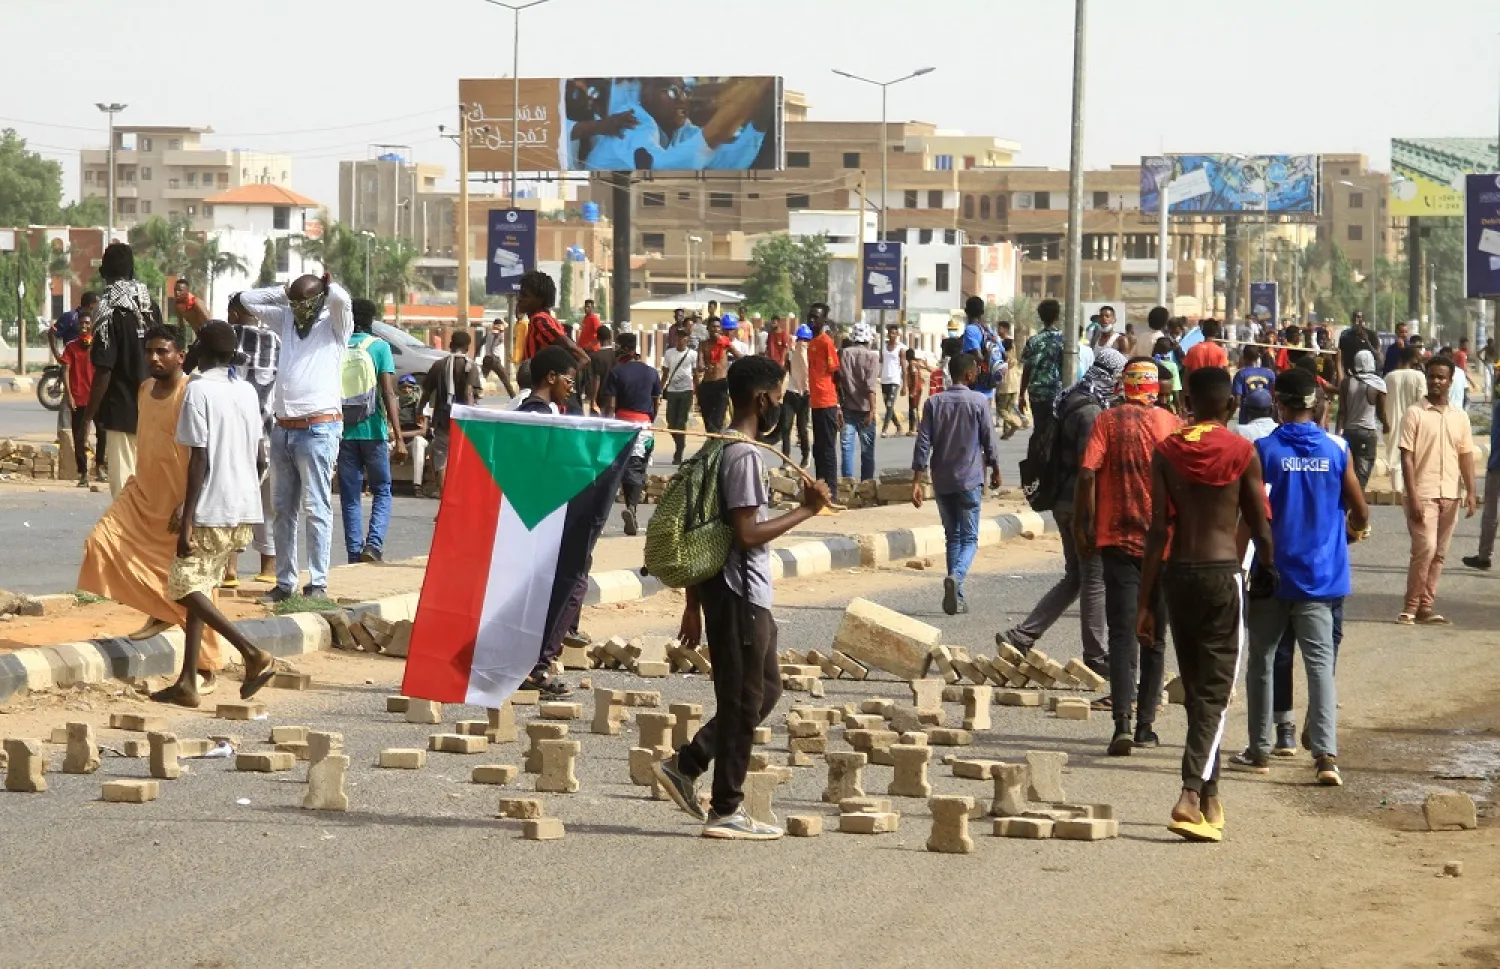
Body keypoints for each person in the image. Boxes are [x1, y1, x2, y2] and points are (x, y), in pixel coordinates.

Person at [653, 355, 832, 839]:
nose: (782, 406)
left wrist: (692, 604)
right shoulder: (743, 456)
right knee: (741, 701)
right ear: (762, 398)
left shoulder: (724, 448)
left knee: (765, 689)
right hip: (738, 596)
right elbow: (747, 534)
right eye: (779, 397)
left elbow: (704, 527)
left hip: (738, 593)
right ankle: (726, 808)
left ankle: (687, 765)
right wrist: (807, 510)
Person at [1139, 365, 1274, 842]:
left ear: (1188, 402)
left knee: (1200, 692)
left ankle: (1212, 797)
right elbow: (1258, 525)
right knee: (1215, 695)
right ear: (1230, 406)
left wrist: (1145, 602)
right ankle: (1189, 794)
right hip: (1222, 575)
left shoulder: (1167, 451)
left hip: (1177, 576)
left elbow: (1156, 532)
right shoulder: (1242, 451)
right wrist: (1269, 570)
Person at [1235, 366, 1367, 786]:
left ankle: (1259, 749)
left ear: (1279, 402)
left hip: (1271, 575)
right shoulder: (1336, 449)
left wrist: (1238, 569)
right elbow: (1360, 510)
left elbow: (1250, 517)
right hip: (1321, 577)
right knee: (1320, 664)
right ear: (1317, 404)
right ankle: (1326, 756)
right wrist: (1346, 534)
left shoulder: (1264, 450)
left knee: (1263, 659)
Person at [148, 321, 279, 708]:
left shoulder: (199, 391)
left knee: (182, 587)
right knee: (201, 588)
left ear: (200, 352)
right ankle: (188, 681)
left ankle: (252, 652)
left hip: (211, 505)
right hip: (243, 506)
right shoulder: (247, 390)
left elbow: (198, 460)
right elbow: (259, 455)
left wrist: (187, 517)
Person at [79, 325, 224, 662]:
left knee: (194, 582)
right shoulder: (144, 389)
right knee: (100, 543)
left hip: (179, 501)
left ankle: (205, 665)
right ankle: (161, 608)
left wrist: (190, 502)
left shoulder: (192, 393)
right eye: (149, 351)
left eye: (162, 351)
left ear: (181, 356)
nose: (154, 358)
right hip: (143, 494)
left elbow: (208, 454)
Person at [998, 349, 1125, 676]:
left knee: (1075, 577)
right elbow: (1090, 469)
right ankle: (1097, 658)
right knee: (1094, 579)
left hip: (1061, 501)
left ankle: (1022, 635)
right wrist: (1094, 518)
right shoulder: (1092, 412)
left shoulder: (1070, 397)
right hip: (1081, 503)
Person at [1075, 358, 1179, 754]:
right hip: (1162, 544)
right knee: (1154, 635)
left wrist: (1081, 524)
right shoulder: (1171, 425)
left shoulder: (1107, 421)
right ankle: (1146, 726)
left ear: (1124, 385)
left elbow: (1087, 473)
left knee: (1121, 634)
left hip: (1116, 540)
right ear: (1156, 388)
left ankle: (1120, 722)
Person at [237, 274, 351, 603]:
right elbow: (246, 301)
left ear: (319, 300)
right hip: (283, 427)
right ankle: (284, 583)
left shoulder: (335, 324)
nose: (300, 310)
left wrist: (330, 288)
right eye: (296, 303)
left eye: (306, 304)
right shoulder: (285, 317)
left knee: (316, 508)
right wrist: (283, 293)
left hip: (319, 428)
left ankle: (317, 583)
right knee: (282, 510)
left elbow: (342, 301)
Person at [913, 352, 1003, 616]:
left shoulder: (934, 403)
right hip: (970, 479)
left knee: (952, 537)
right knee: (970, 538)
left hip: (942, 479)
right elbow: (989, 440)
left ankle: (957, 596)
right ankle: (958, 577)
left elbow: (923, 442)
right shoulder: (978, 401)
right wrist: (996, 468)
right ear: (970, 375)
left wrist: (916, 480)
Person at [1397, 357, 1477, 625]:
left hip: (1451, 494)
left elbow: (1465, 456)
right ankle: (1410, 607)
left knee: (1439, 552)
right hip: (1422, 493)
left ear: (1450, 382)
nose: (1436, 382)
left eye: (1441, 377)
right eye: (1432, 376)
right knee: (1425, 548)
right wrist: (1413, 496)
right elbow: (1406, 458)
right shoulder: (1415, 413)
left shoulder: (1460, 417)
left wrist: (1471, 493)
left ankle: (1426, 606)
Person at [85, 243, 161, 498]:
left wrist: (87, 418)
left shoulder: (108, 311)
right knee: (150, 491)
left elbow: (104, 370)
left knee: (124, 494)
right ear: (131, 271)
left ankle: (128, 539)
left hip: (122, 412)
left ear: (103, 273)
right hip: (154, 412)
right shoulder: (150, 307)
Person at [217, 294, 283, 585]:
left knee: (232, 499)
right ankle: (268, 567)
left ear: (233, 313)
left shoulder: (226, 341)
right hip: (270, 431)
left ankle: (230, 568)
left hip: (234, 434)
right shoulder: (278, 343)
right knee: (268, 503)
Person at [337, 299, 407, 565]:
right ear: (371, 320)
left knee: (350, 494)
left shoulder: (337, 346)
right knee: (382, 489)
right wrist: (399, 437)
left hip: (343, 431)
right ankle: (374, 545)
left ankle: (355, 553)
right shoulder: (380, 347)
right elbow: (389, 392)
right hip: (374, 429)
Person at [602, 331, 661, 536]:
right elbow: (656, 402)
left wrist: (604, 424)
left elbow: (609, 406)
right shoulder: (652, 372)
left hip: (620, 425)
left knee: (620, 467)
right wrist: (649, 421)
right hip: (643, 425)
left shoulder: (616, 373)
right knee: (637, 467)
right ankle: (632, 508)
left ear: (625, 349)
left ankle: (626, 509)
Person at [417, 330, 481, 495]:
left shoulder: (439, 365)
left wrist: (419, 410)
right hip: (463, 420)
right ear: (467, 348)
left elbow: (426, 393)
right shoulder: (471, 366)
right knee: (462, 460)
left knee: (441, 459)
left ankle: (445, 501)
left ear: (450, 345)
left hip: (442, 420)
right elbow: (469, 393)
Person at [518, 270, 590, 402]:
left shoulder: (540, 320)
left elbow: (583, 357)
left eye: (525, 295)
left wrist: (562, 382)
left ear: (540, 299)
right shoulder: (545, 319)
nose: (519, 298)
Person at [60, 312, 106, 486]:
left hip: (96, 397)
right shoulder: (71, 346)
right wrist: (69, 395)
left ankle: (100, 466)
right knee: (79, 435)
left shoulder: (98, 345)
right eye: (82, 323)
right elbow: (65, 369)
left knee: (102, 432)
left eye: (87, 323)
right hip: (78, 398)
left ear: (92, 325)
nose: (84, 326)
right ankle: (83, 473)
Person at [1336, 349, 1387, 489]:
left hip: (1349, 432)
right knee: (1362, 475)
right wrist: (1387, 426)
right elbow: (1381, 413)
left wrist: (1337, 434)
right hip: (1367, 433)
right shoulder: (1378, 384)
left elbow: (1342, 411)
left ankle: (1348, 504)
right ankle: (1356, 505)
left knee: (1347, 472)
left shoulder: (1347, 383)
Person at [806, 304, 842, 494]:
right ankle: (820, 490)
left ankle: (832, 493)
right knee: (818, 448)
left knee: (827, 449)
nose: (812, 320)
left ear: (823, 321)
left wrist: (838, 405)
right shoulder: (811, 343)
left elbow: (837, 375)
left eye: (815, 317)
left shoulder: (826, 342)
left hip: (827, 402)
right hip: (815, 402)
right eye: (810, 317)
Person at [838, 322, 880, 482]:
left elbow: (838, 381)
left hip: (847, 407)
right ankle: (866, 486)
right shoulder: (872, 357)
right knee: (867, 451)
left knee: (847, 448)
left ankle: (847, 485)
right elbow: (871, 386)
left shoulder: (843, 354)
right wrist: (872, 410)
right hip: (865, 409)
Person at [1383, 346, 1428, 493]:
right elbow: (1423, 401)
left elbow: (1381, 402)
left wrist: (1384, 421)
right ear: (1414, 359)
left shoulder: (1389, 377)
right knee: (1413, 457)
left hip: (1392, 421)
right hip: (1414, 422)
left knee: (1395, 459)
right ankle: (1411, 491)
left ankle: (1397, 492)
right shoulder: (1419, 377)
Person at [1019, 298, 1064, 437]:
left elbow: (1026, 369)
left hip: (1036, 393)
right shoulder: (1064, 340)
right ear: (1057, 316)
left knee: (1039, 430)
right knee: (1056, 432)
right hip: (1057, 392)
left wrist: (1021, 394)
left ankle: (1037, 457)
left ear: (1040, 316)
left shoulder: (1033, 341)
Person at [697, 315, 741, 434]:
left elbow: (739, 356)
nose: (715, 329)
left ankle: (717, 447)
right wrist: (703, 366)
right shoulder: (703, 344)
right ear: (708, 328)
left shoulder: (725, 343)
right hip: (706, 385)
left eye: (717, 327)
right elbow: (699, 365)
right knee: (708, 421)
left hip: (721, 384)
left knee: (718, 419)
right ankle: (713, 443)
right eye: (712, 327)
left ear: (720, 329)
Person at [660, 325, 698, 464]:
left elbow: (695, 375)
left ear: (687, 338)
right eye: (679, 336)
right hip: (672, 392)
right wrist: (659, 390)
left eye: (684, 336)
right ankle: (680, 443)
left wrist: (697, 392)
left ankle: (679, 451)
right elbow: (665, 373)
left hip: (686, 391)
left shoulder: (692, 354)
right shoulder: (669, 353)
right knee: (671, 423)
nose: (681, 339)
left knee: (681, 422)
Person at [396, 374, 431, 494]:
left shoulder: (420, 405)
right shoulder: (395, 403)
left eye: (409, 387)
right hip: (397, 440)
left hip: (412, 441)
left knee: (418, 441)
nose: (406, 390)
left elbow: (423, 431)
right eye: (403, 388)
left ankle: (417, 485)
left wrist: (400, 435)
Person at [517, 345, 576, 415]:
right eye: (569, 381)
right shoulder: (541, 415)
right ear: (551, 377)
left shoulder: (523, 409)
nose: (572, 390)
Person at [50, 291, 99, 363]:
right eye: (98, 303)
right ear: (91, 304)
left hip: (88, 363)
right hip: (72, 362)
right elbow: (52, 333)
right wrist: (57, 356)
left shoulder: (94, 319)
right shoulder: (71, 317)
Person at [1231, 344, 1275, 423]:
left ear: (1243, 357)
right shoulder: (1270, 373)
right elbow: (1274, 397)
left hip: (1246, 417)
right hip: (1266, 416)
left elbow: (1237, 401)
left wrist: (1228, 416)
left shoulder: (1241, 374)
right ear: (1258, 357)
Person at [879, 325, 907, 436]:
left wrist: (904, 385)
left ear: (897, 335)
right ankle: (899, 426)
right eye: (890, 333)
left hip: (895, 380)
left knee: (890, 404)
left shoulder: (901, 349)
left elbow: (904, 368)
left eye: (894, 333)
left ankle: (884, 430)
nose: (892, 335)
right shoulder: (884, 347)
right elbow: (881, 362)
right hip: (884, 379)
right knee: (888, 405)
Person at [586, 325, 617, 416]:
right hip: (616, 398)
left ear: (598, 338)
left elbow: (596, 379)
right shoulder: (617, 355)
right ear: (610, 337)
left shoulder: (596, 357)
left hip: (602, 398)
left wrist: (593, 400)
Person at [1337, 311, 1379, 378]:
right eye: (1355, 317)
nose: (1357, 320)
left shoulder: (1372, 334)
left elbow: (1377, 355)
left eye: (1359, 317)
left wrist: (1367, 341)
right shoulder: (1345, 335)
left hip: (1369, 373)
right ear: (1352, 320)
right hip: (1350, 371)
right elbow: (1340, 355)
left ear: (1363, 320)